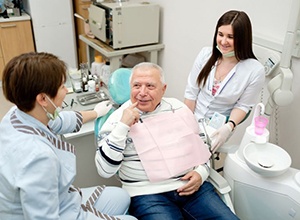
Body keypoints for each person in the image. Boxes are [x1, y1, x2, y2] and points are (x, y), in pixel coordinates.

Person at [0, 52, 137, 220]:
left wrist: (95, 112)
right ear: (43, 98)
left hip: (60, 199)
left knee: (122, 197)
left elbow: (59, 121)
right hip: (54, 213)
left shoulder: (18, 113)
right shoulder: (37, 158)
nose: (66, 91)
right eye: (62, 87)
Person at [95, 62, 239, 220]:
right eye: (137, 85)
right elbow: (105, 170)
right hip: (147, 193)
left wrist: (201, 173)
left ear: (163, 89)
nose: (142, 92)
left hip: (192, 187)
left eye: (150, 86)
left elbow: (201, 148)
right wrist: (122, 127)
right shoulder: (116, 120)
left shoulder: (178, 109)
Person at [184, 10, 265, 152]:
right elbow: (191, 92)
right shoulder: (205, 55)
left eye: (230, 37)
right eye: (220, 34)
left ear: (242, 39)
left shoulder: (254, 70)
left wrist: (229, 126)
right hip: (192, 116)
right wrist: (186, 122)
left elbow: (243, 105)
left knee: (195, 155)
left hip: (219, 127)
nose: (223, 41)